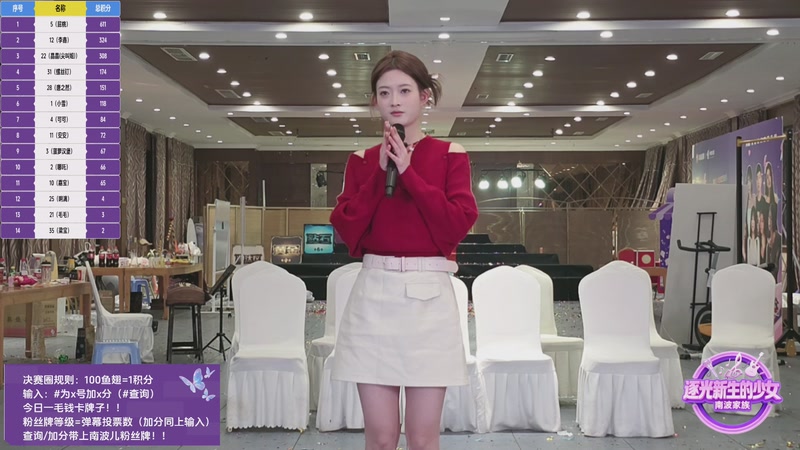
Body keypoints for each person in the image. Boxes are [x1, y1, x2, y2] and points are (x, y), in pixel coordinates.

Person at [329, 50, 479, 450]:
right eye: (384, 92)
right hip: (373, 295)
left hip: (429, 299)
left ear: (425, 96)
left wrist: (409, 172)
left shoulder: (450, 155)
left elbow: (456, 224)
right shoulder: (362, 161)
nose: (394, 101)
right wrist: (380, 173)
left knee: (423, 439)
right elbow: (347, 227)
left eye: (404, 90)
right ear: (375, 100)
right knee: (380, 439)